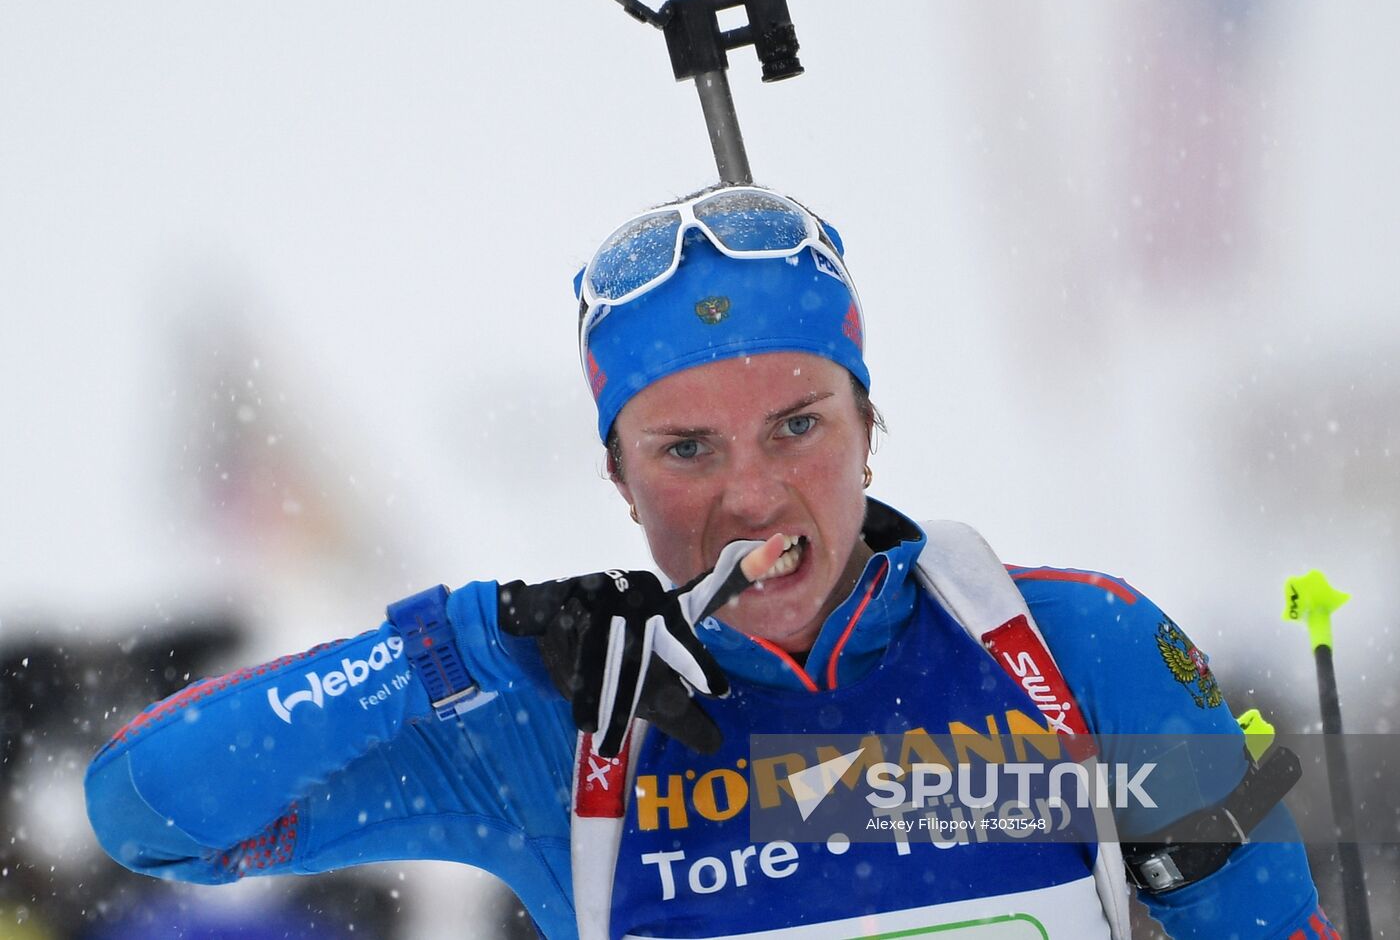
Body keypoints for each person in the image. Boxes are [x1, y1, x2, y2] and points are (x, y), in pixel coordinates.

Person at [86, 186, 1336, 939]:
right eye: (685, 449)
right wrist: (458, 645)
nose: (750, 492)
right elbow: (148, 816)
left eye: (796, 425)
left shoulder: (1081, 651)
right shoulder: (551, 723)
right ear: (617, 479)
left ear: (866, 427)